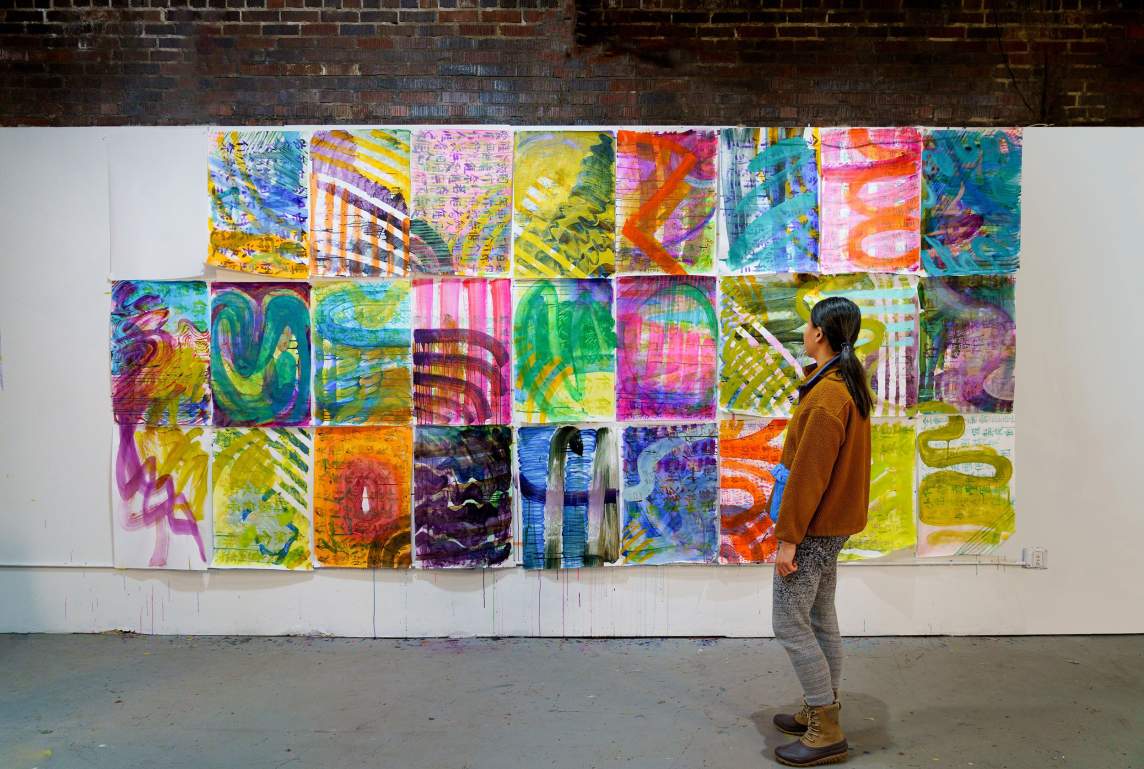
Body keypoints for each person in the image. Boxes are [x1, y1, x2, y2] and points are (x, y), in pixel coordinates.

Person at [769, 296, 872, 767]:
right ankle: (819, 706)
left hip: (812, 528)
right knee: (819, 615)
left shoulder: (829, 396)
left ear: (820, 335)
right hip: (832, 525)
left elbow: (810, 475)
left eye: (808, 325)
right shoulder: (842, 382)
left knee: (789, 620)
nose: (803, 331)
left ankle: (825, 728)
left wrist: (790, 538)